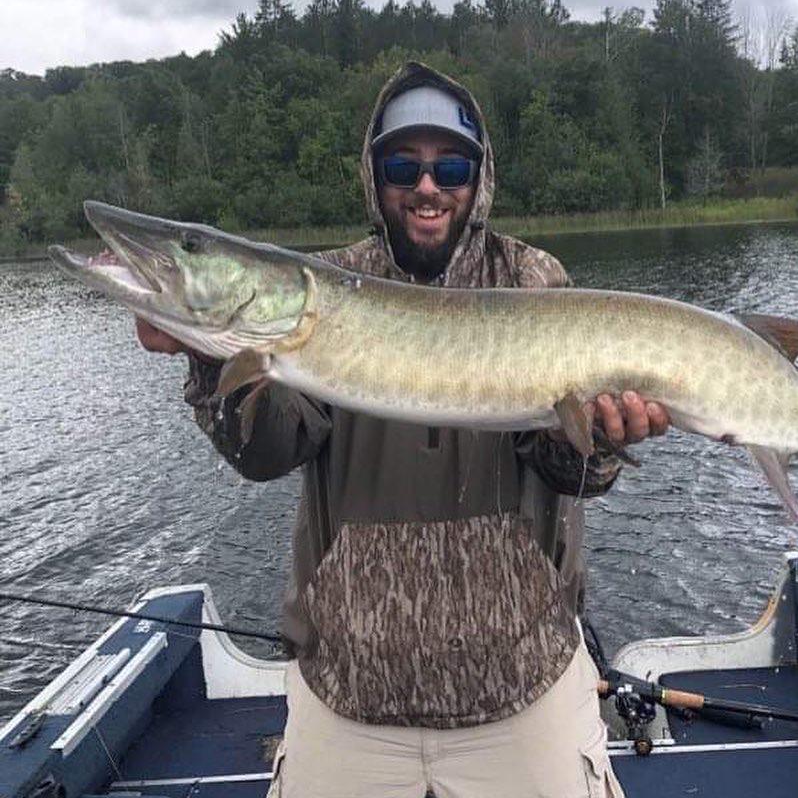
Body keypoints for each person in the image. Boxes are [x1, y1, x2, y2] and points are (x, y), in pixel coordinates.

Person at [137, 61, 669, 798]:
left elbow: (565, 473)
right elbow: (267, 453)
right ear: (375, 176)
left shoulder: (530, 279)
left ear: (477, 178)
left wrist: (603, 438)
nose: (426, 186)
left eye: (449, 165)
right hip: (348, 691)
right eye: (402, 165)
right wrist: (209, 357)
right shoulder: (321, 289)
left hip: (522, 682)